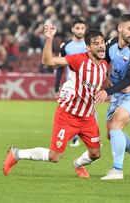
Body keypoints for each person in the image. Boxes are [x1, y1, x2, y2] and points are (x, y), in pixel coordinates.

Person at [3, 25, 108, 178]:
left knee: (96, 154)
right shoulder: (79, 60)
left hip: (88, 117)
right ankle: (16, 153)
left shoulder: (104, 65)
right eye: (96, 43)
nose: (101, 45)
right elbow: (47, 61)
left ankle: (78, 165)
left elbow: (100, 84)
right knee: (54, 156)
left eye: (102, 42)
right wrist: (49, 38)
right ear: (88, 48)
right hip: (68, 115)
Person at [94, 14, 130, 180]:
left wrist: (106, 92)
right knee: (111, 134)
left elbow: (128, 81)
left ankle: (117, 170)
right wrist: (105, 77)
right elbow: (102, 62)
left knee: (116, 124)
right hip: (118, 93)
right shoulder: (110, 44)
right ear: (120, 28)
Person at [54, 18, 88, 147]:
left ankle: (92, 137)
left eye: (82, 28)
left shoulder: (89, 45)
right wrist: (56, 85)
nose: (80, 30)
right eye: (77, 28)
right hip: (72, 84)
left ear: (85, 29)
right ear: (73, 29)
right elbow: (60, 66)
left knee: (89, 111)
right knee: (70, 111)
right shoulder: (65, 46)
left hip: (88, 83)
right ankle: (74, 137)